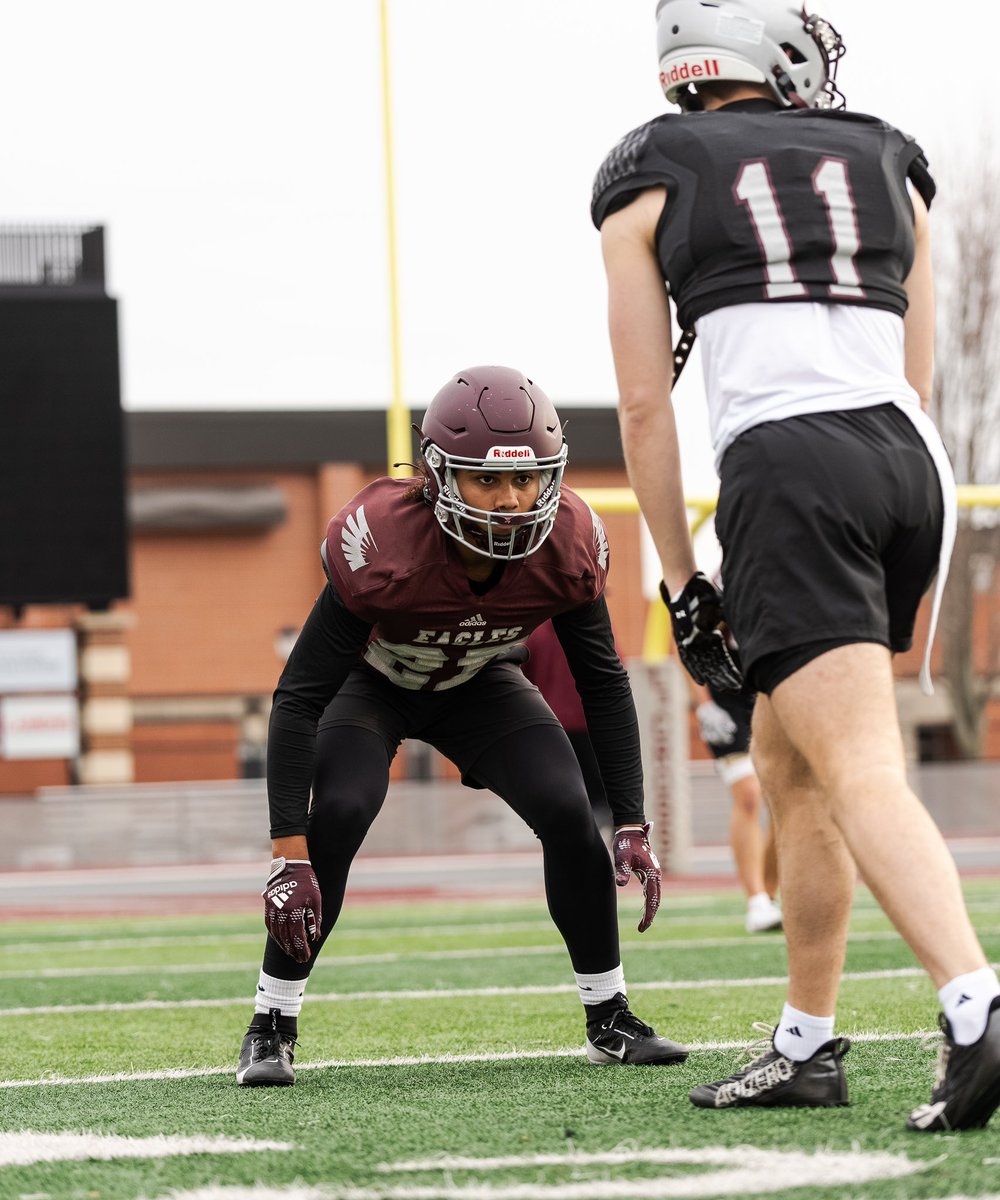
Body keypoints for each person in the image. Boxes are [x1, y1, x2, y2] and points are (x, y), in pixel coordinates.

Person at [592, 0, 1000, 1130]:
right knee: (790, 757)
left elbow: (641, 406)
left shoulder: (651, 167)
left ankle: (974, 1000)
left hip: (791, 462)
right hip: (909, 464)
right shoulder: (887, 155)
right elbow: (912, 369)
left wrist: (682, 579)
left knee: (857, 762)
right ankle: (806, 1044)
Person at [236, 364, 688, 1087]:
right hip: (372, 683)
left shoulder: (568, 543)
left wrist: (631, 817)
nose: (511, 501)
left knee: (571, 811)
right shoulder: (383, 544)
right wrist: (288, 853)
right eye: (487, 481)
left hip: (475, 681)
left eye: (525, 480)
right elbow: (296, 699)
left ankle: (609, 1018)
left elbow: (603, 679)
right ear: (439, 475)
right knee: (343, 808)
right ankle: (271, 1024)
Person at [692, 679, 781, 933]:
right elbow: (682, 644)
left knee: (782, 801)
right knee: (749, 795)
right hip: (724, 699)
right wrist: (704, 704)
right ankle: (756, 901)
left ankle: (769, 896)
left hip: (770, 690)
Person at [523, 618, 615, 836]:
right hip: (589, 722)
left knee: (564, 790)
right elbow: (616, 669)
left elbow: (523, 674)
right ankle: (602, 839)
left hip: (551, 725)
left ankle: (575, 836)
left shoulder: (535, 634)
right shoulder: (593, 628)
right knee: (601, 791)